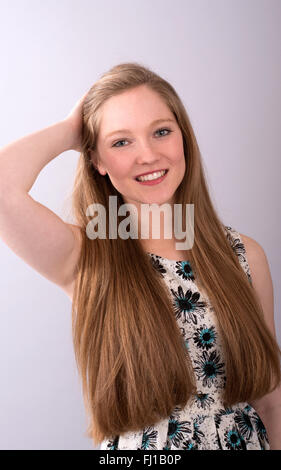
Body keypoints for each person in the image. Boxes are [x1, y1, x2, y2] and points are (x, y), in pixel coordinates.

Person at [0, 62, 280, 451]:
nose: (148, 155)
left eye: (161, 132)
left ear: (184, 138)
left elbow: (271, 399)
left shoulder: (243, 255)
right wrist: (72, 130)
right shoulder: (86, 256)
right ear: (96, 160)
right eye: (120, 142)